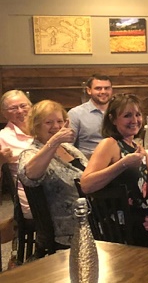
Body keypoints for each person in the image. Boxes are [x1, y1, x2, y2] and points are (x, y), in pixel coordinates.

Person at [80, 94, 148, 249]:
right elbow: (86, 184)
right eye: (127, 116)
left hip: (142, 218)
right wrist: (122, 164)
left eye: (137, 114)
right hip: (120, 226)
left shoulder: (138, 148)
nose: (134, 120)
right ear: (113, 119)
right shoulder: (109, 144)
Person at [17, 100, 86, 249]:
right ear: (36, 126)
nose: (56, 126)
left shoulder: (69, 148)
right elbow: (29, 176)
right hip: (69, 229)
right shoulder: (31, 153)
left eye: (60, 121)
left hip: (91, 216)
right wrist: (54, 142)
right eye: (48, 122)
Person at [0, 90, 34, 217]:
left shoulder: (43, 129)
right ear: (4, 114)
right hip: (34, 198)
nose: (20, 111)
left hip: (54, 189)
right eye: (13, 108)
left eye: (23, 106)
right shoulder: (3, 137)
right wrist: (0, 161)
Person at [68, 74, 113, 158]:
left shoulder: (118, 111)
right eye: (98, 88)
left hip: (118, 161)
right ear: (89, 90)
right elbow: (67, 147)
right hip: (88, 163)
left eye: (107, 88)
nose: (103, 91)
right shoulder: (75, 114)